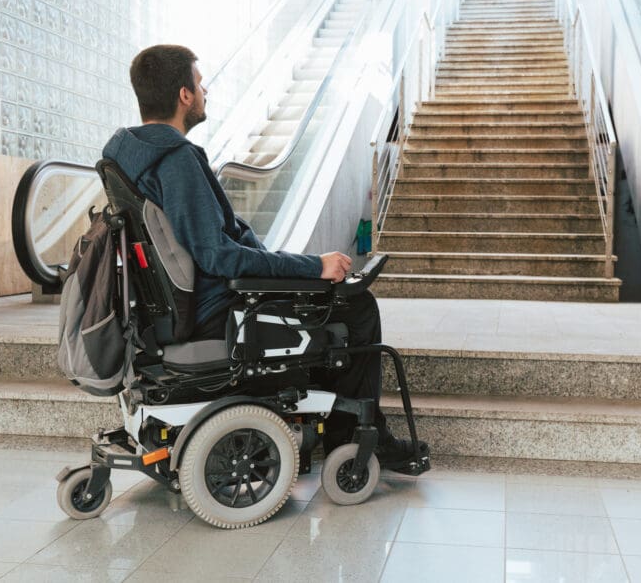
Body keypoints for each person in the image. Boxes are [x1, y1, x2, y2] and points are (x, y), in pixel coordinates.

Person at [102, 44, 411, 462]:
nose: (206, 90)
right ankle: (354, 441)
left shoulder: (125, 156)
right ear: (184, 96)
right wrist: (314, 266)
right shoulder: (175, 161)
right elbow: (220, 258)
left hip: (176, 310)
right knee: (356, 306)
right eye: (200, 82)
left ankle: (327, 427)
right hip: (218, 308)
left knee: (326, 298)